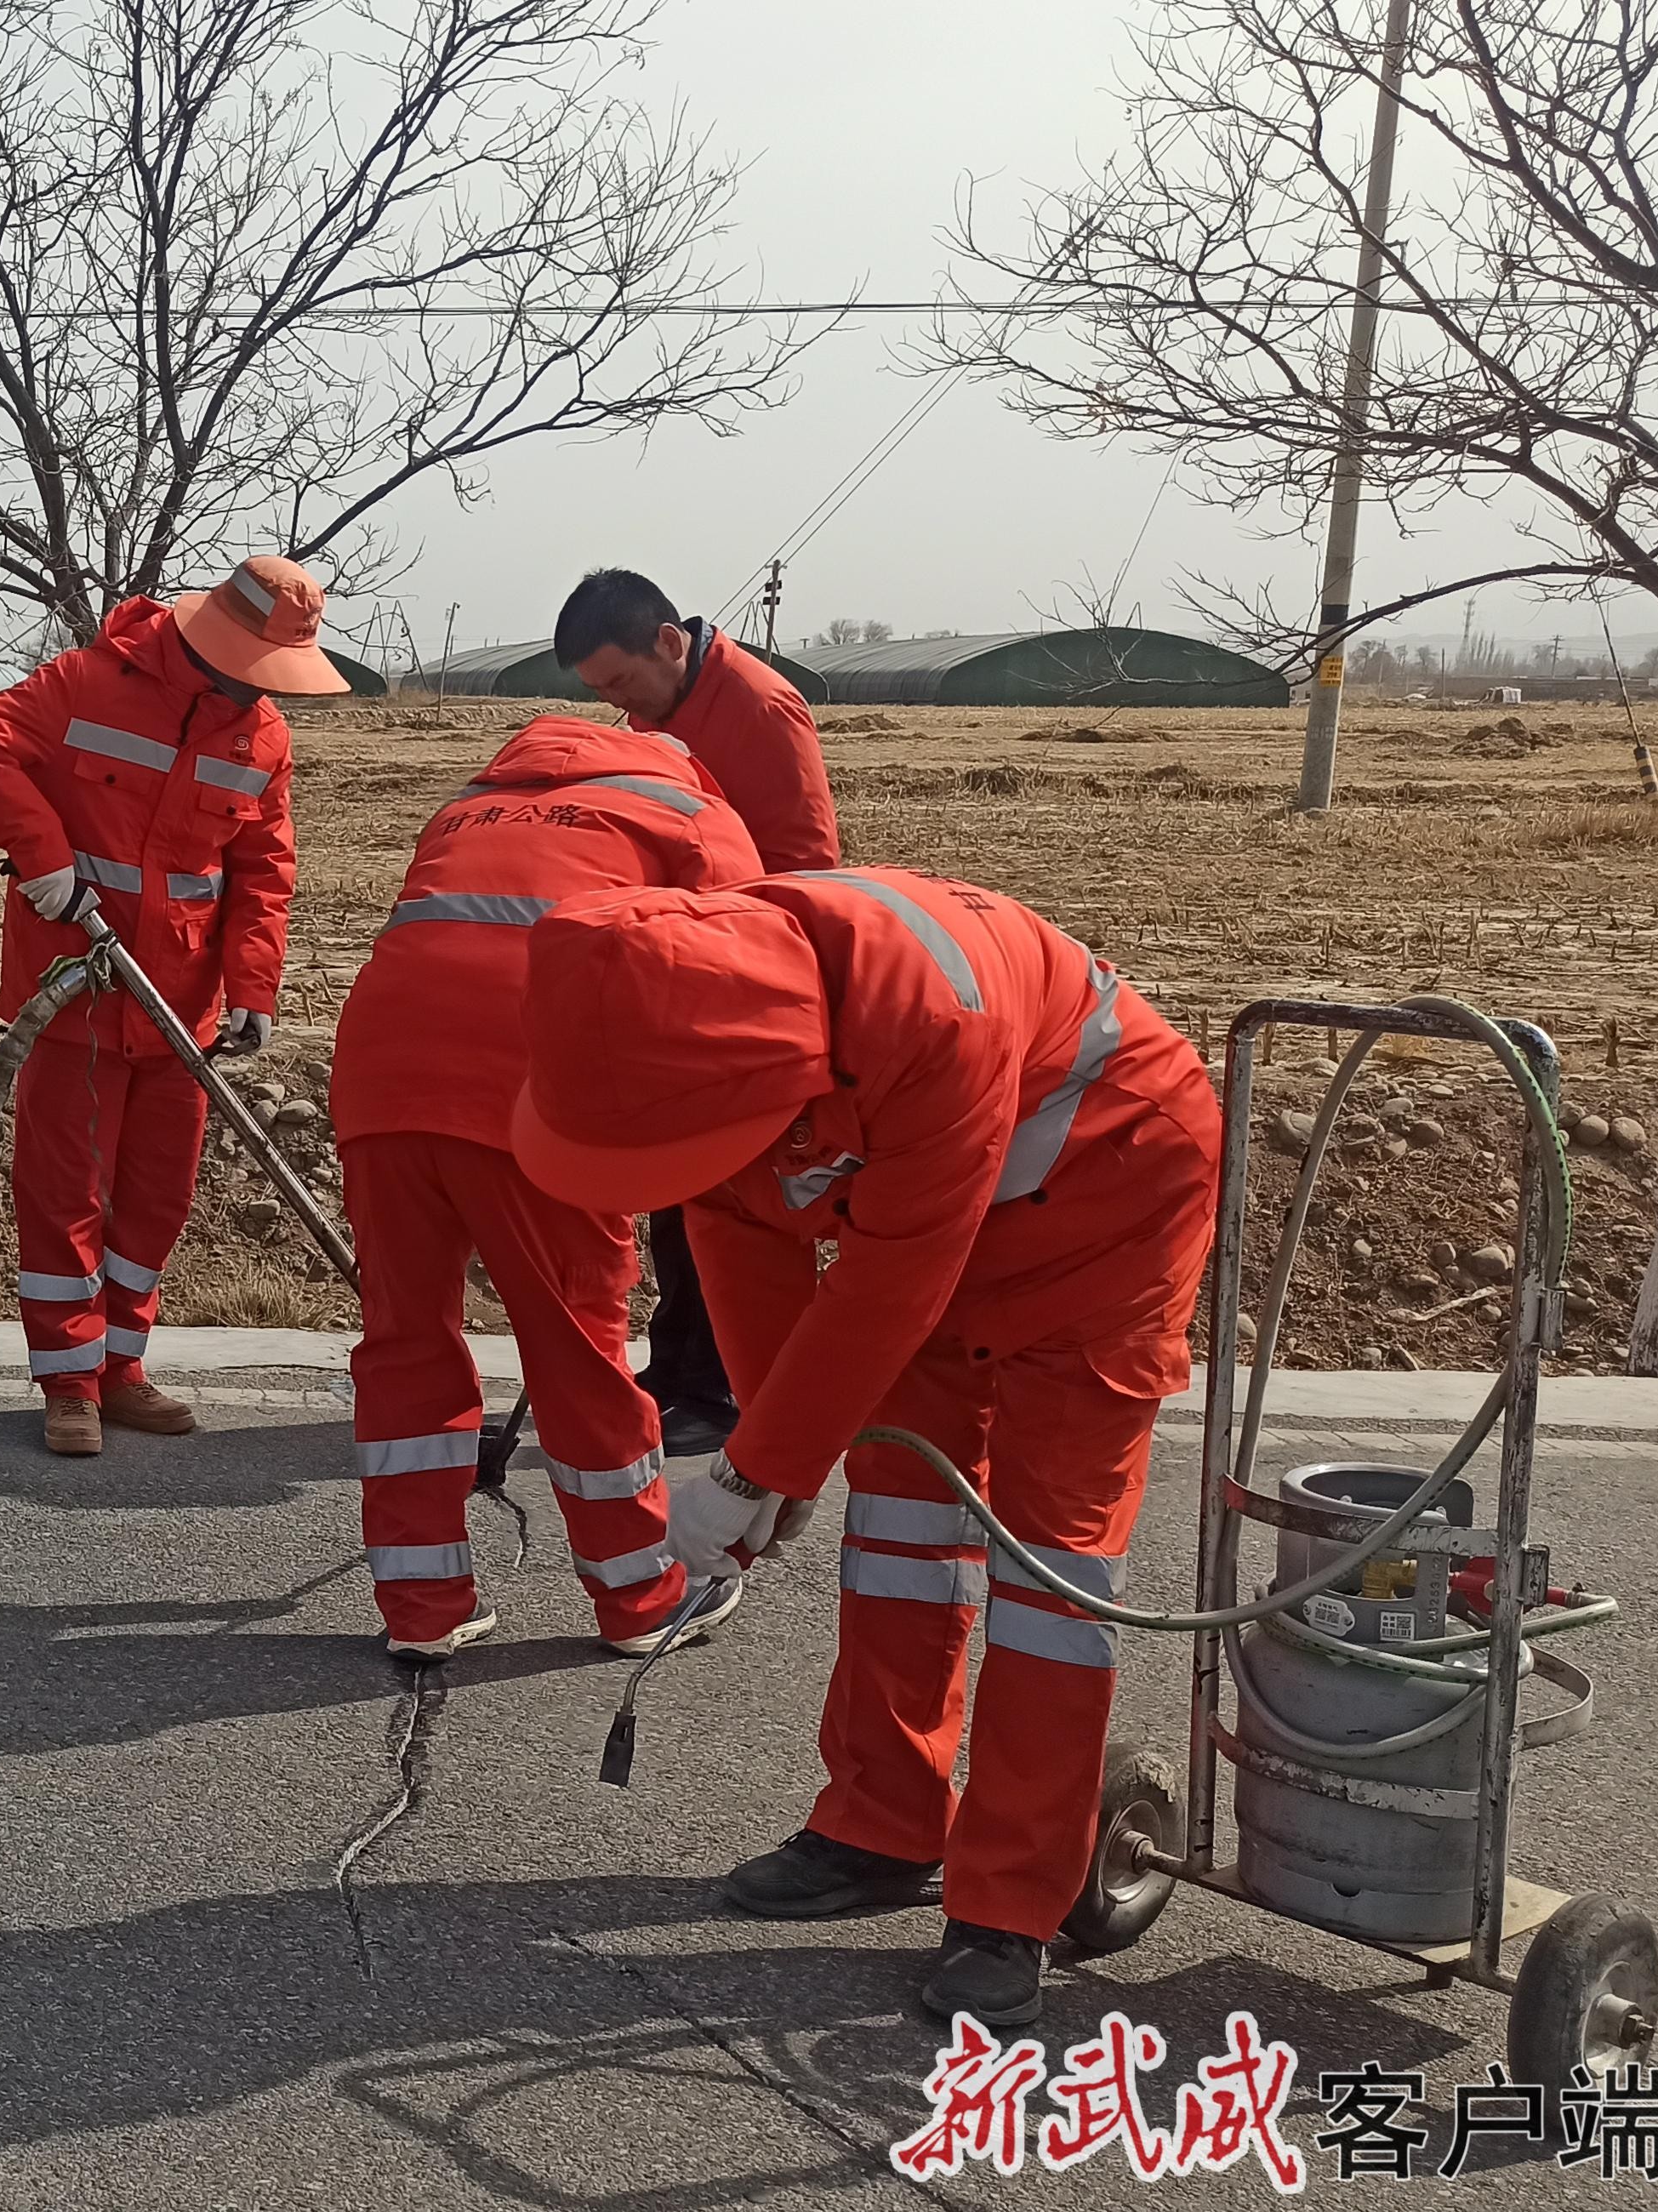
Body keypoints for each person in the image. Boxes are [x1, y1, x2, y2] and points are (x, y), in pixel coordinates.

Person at [510, 866, 1218, 2027]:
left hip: (1111, 1201)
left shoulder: (931, 1015)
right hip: (939, 1215)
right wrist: (781, 1445)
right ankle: (883, 1823)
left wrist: (756, 1470)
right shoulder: (698, 1021)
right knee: (899, 1504)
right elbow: (738, 1223)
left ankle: (1011, 1898)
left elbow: (893, 1275)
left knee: (1051, 1563)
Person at [328, 713, 763, 1659]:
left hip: (381, 1071)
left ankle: (422, 1608)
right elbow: (748, 976)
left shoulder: (467, 807)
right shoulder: (689, 810)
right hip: (529, 1085)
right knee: (576, 1348)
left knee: (404, 1339)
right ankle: (642, 1596)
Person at [0, 556, 324, 1457]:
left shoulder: (262, 737)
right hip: (71, 988)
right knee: (64, 1190)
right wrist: (45, 860)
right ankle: (66, 1380)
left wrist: (254, 985)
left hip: (181, 1007)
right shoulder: (86, 682)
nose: (264, 687)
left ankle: (122, 1367)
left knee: (156, 1193)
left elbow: (262, 870)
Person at [554, 567, 843, 1471]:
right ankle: (676, 1370)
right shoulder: (667, 716)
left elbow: (805, 865)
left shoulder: (758, 711)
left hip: (742, 976)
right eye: (600, 695)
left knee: (727, 1193)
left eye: (620, 684)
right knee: (680, 1195)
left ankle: (716, 1389)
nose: (618, 708)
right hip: (680, 967)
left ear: (668, 643)